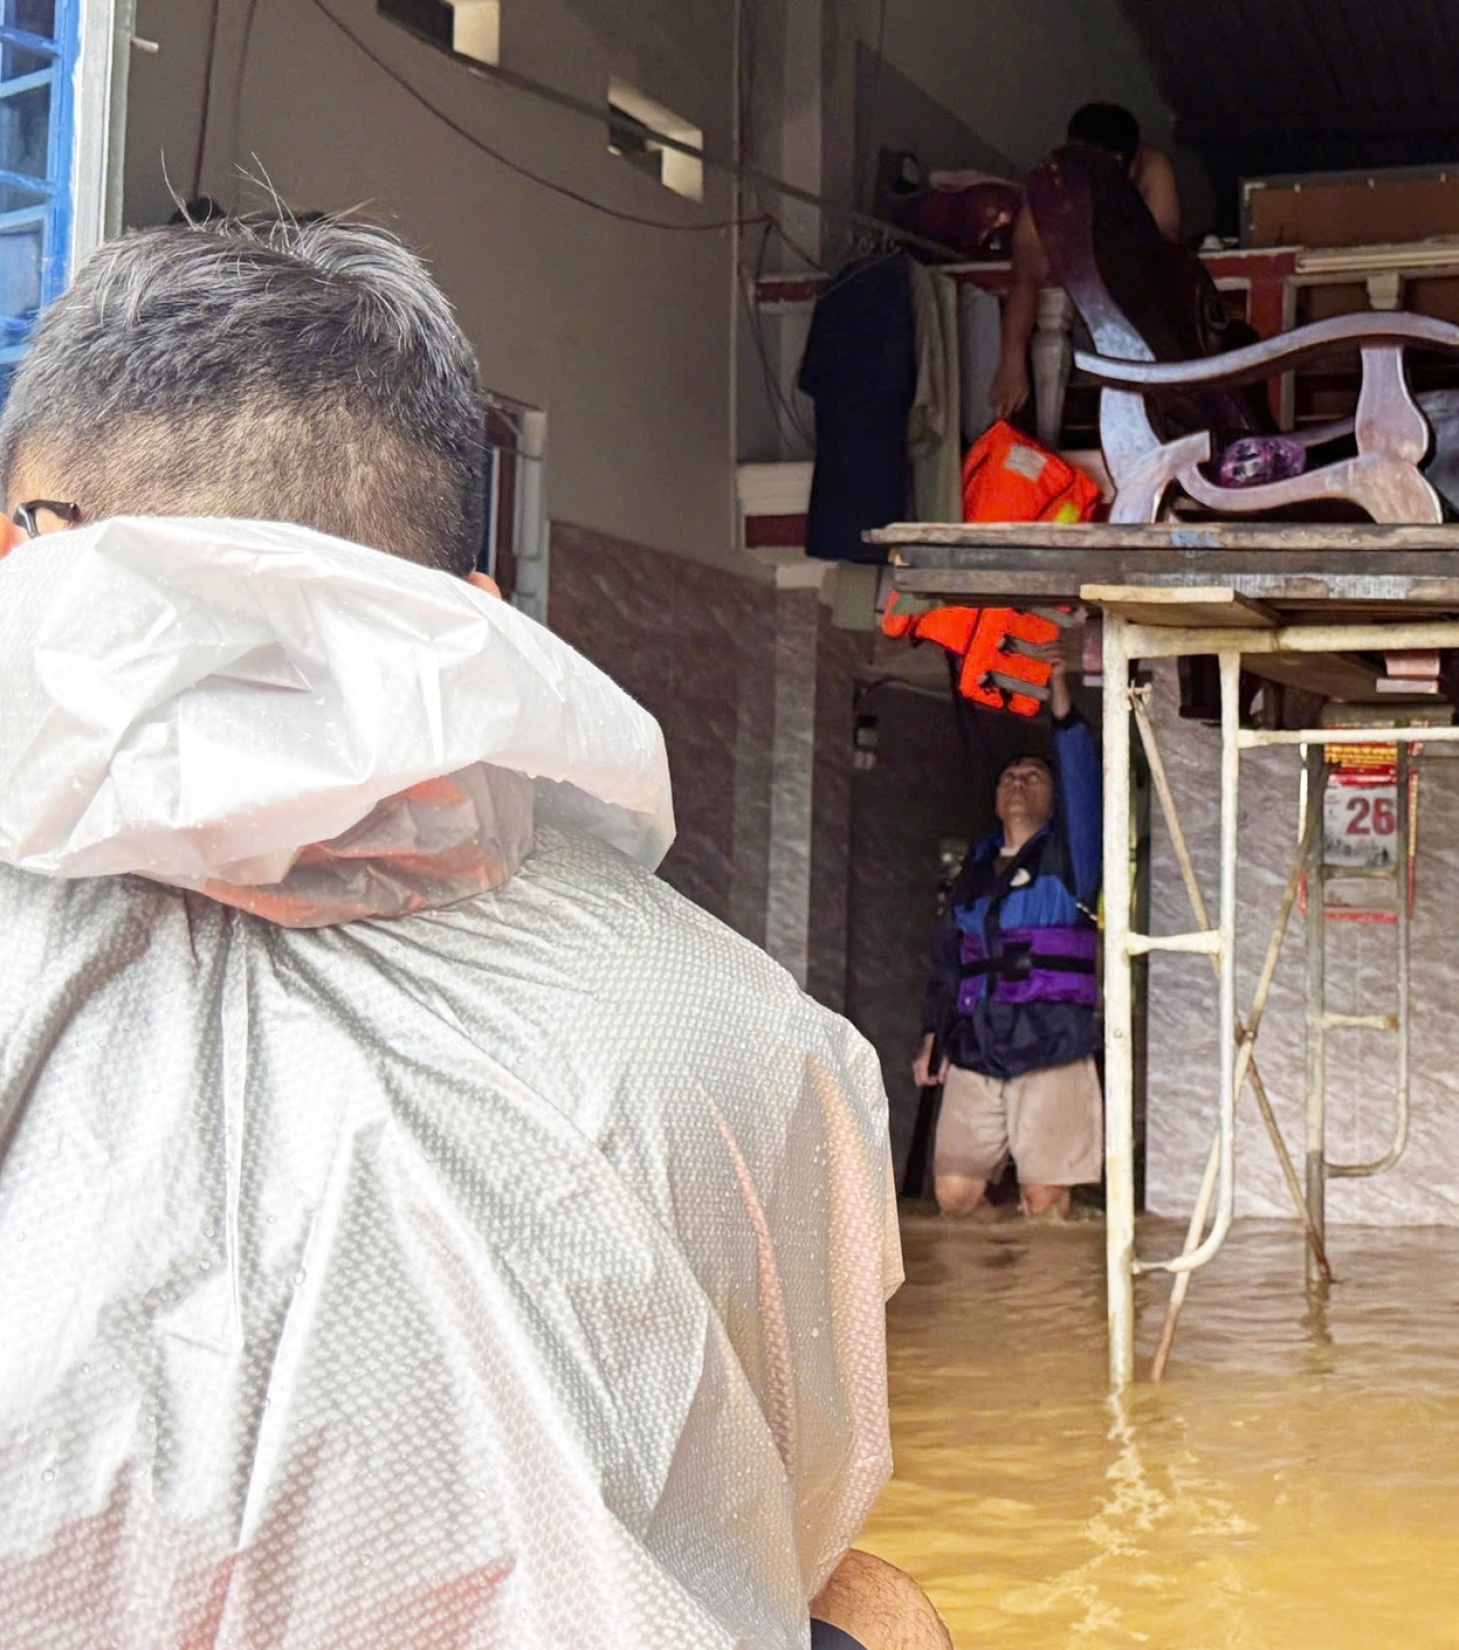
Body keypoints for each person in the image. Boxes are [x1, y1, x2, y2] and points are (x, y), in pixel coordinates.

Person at [0, 217, 947, 1650]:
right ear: (473, 610)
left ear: (30, 548)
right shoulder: (754, 1033)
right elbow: (786, 1524)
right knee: (874, 1608)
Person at [915, 640, 1103, 1218]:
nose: (1019, 782)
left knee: (1044, 1199)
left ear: (1053, 800)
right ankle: (992, 1295)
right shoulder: (973, 874)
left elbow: (1083, 785)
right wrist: (933, 1037)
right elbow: (950, 962)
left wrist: (1061, 702)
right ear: (996, 802)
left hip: (1052, 1040)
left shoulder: (1072, 862)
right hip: (978, 1043)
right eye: (1010, 777)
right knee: (954, 1195)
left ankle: (1040, 1299)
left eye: (1034, 776)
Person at [988, 101, 1182, 424]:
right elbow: (1026, 275)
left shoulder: (1152, 168)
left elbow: (1166, 247)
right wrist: (1011, 363)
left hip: (1139, 304)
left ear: (1127, 165)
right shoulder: (1053, 182)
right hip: (1080, 315)